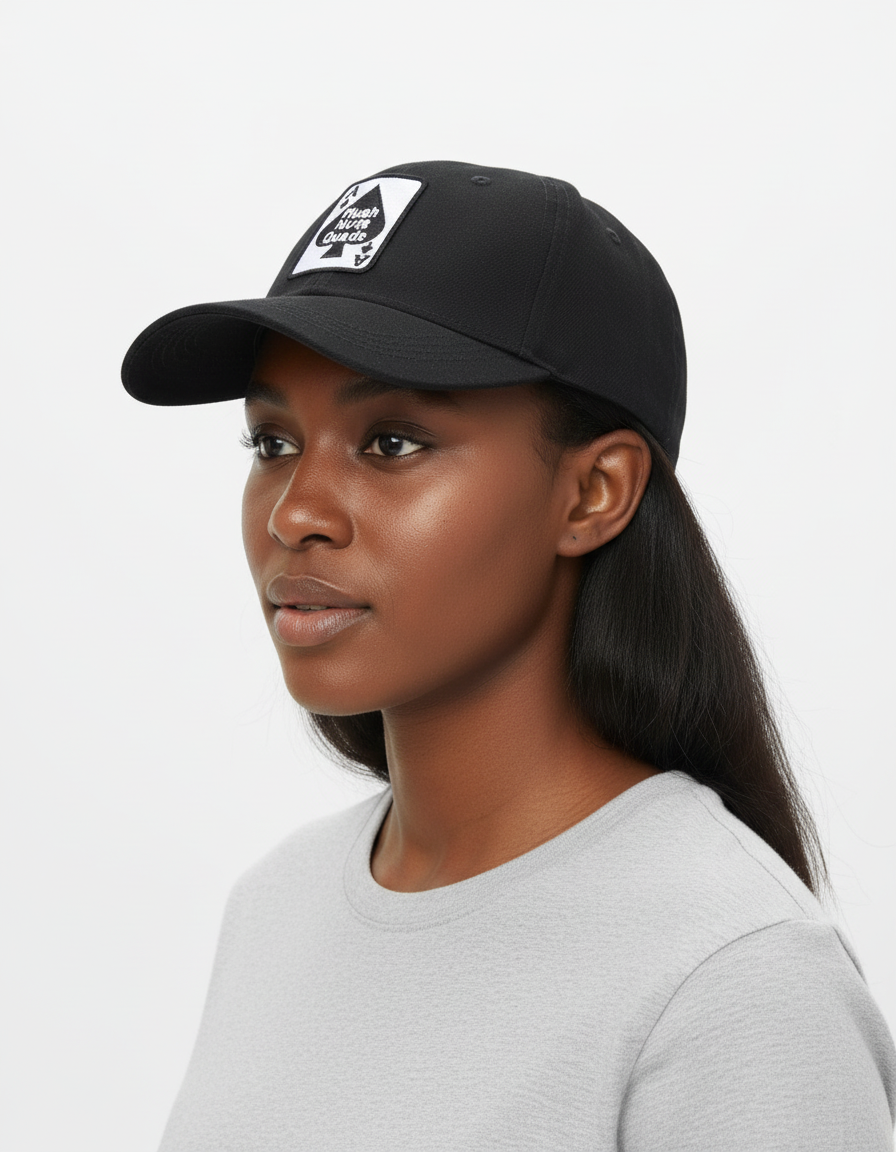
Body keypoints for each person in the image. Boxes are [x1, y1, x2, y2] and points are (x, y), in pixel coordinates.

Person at [122, 160, 896, 1149]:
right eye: (272, 443)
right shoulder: (277, 908)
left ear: (592, 494)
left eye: (391, 442)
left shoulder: (730, 980)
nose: (295, 512)